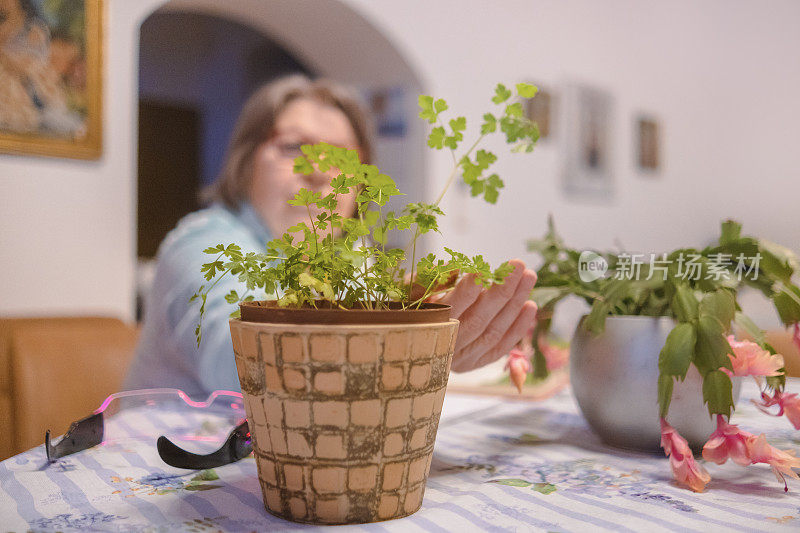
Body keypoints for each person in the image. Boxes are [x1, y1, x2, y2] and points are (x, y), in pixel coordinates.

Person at [124, 75, 538, 398]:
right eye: (292, 148)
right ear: (245, 161)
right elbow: (247, 366)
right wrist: (415, 351)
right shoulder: (201, 244)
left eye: (342, 157)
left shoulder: (356, 259)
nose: (319, 171)